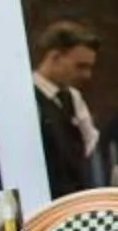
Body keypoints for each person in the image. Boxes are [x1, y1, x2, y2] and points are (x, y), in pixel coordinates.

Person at [32, 21, 101, 197]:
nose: (87, 75)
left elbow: (90, 144)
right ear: (55, 57)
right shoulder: (27, 98)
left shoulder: (74, 98)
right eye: (80, 66)